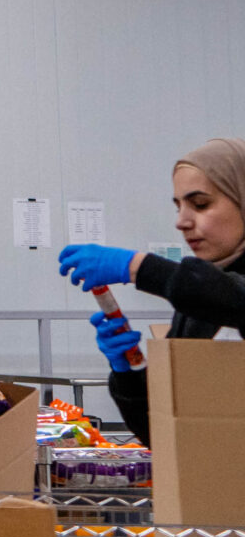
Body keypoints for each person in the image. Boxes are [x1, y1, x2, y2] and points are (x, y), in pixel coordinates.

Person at [61, 139, 245, 445]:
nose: (182, 222)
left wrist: (137, 266)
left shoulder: (212, 294)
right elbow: (162, 435)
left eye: (200, 204)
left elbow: (231, 298)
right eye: (178, 206)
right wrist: (130, 371)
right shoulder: (197, 306)